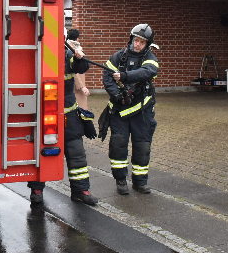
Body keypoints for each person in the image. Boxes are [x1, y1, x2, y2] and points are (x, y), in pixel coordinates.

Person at [27, 31, 99, 206]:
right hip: (43, 115)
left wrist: (80, 57)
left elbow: (80, 67)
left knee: (76, 153)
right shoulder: (36, 51)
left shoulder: (67, 52)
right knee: (41, 152)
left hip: (68, 114)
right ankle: (37, 190)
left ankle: (80, 190)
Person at [102, 24, 159, 195]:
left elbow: (148, 72)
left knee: (142, 146)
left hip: (142, 112)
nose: (137, 44)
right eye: (136, 40)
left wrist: (125, 76)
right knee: (118, 145)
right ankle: (120, 181)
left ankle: (140, 182)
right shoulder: (118, 57)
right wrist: (117, 95)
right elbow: (107, 76)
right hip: (119, 111)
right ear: (131, 39)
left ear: (147, 44)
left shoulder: (150, 58)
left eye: (142, 42)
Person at [67, 29, 90, 110]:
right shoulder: (74, 50)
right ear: (77, 38)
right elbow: (74, 71)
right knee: (80, 109)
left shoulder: (69, 48)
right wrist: (82, 86)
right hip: (76, 87)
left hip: (74, 86)